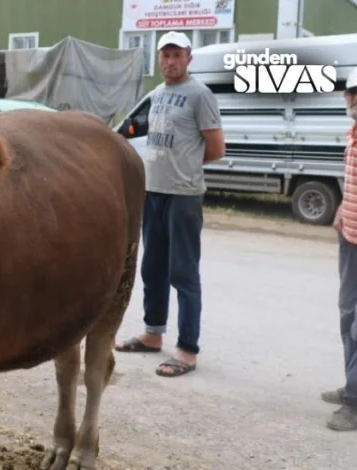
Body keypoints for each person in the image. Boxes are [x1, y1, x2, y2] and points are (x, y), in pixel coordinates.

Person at [115, 31, 225, 377]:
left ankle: (187, 350)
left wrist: (187, 167)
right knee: (153, 268)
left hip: (184, 195)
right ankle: (152, 334)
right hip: (154, 192)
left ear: (188, 58)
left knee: (184, 273)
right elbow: (135, 132)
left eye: (176, 55)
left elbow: (216, 148)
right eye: (165, 55)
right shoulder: (158, 94)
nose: (170, 61)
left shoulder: (200, 95)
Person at [321, 65, 357, 431]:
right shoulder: (353, 134)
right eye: (353, 92)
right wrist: (341, 207)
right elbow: (354, 181)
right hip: (349, 237)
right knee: (346, 315)